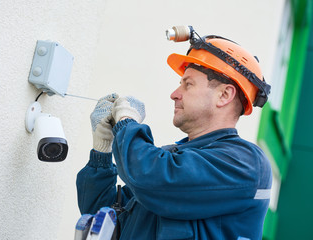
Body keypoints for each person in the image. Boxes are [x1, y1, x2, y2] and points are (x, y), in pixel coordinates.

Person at [76, 32, 272, 240]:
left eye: (188, 84)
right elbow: (102, 214)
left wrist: (126, 122)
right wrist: (102, 151)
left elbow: (152, 178)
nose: (174, 94)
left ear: (224, 95)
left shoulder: (246, 163)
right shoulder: (173, 160)